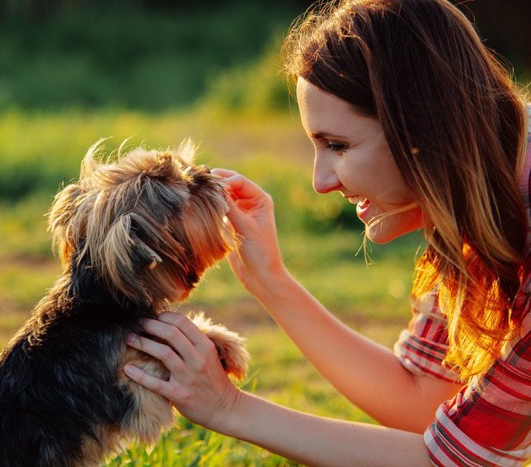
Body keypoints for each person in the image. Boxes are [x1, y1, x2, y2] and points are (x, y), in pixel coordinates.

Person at [123, 0, 531, 465]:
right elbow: (424, 401)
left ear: (425, 126)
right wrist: (268, 279)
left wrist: (227, 407)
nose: (321, 182)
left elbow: (459, 461)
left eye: (338, 145)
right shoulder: (473, 210)